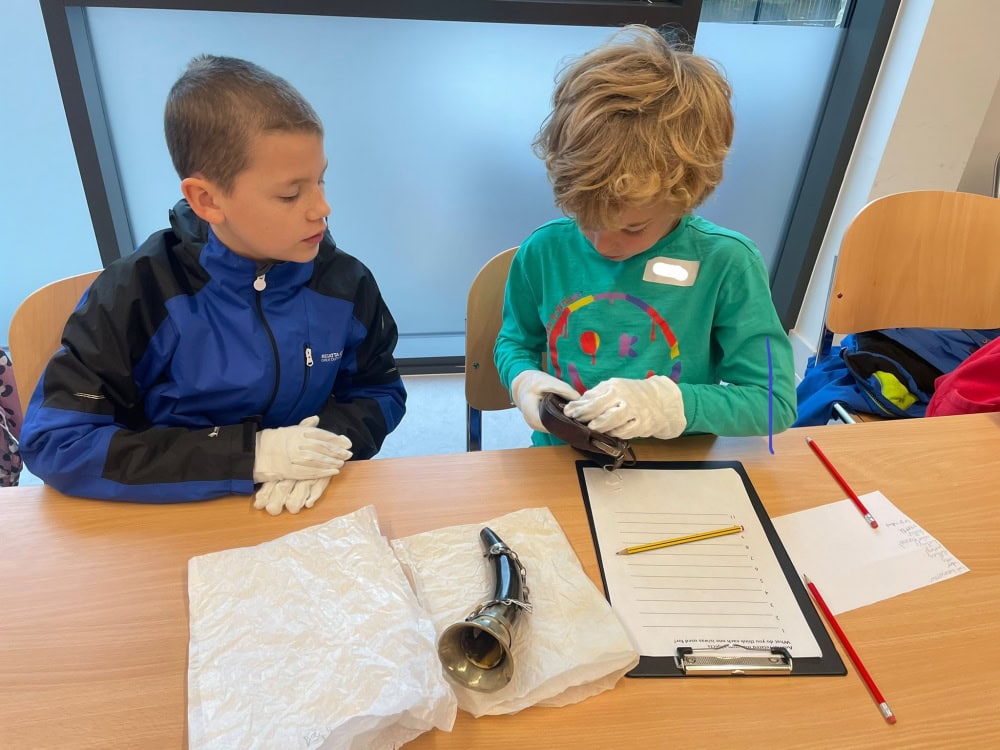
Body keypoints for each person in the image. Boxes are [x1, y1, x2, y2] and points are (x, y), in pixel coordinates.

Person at [19, 55, 406, 514]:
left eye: (320, 180)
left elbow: (380, 390)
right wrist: (248, 455)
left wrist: (325, 444)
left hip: (299, 508)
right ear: (206, 199)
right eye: (290, 193)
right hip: (171, 511)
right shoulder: (140, 293)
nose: (322, 207)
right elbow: (57, 442)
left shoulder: (345, 283)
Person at [495, 25, 796, 445]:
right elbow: (514, 342)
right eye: (585, 218)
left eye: (633, 227)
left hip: (676, 466)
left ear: (687, 195)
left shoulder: (728, 263)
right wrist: (523, 379)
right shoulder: (544, 252)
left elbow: (773, 403)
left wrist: (674, 405)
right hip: (563, 457)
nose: (603, 245)